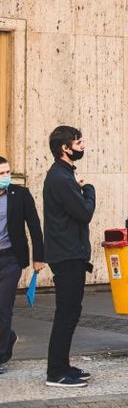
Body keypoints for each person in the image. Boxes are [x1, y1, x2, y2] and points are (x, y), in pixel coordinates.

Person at [43, 125, 96, 387]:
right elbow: (84, 213)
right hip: (67, 255)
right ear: (65, 148)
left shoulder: (63, 176)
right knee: (67, 312)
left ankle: (62, 365)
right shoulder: (61, 179)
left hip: (69, 253)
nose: (82, 145)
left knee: (71, 311)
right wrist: (89, 190)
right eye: (78, 142)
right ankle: (56, 373)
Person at [0, 155, 44, 374]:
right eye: (1, 174)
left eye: (8, 172)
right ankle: (8, 337)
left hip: (11, 259)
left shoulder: (20, 195)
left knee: (3, 306)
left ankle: (0, 356)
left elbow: (34, 226)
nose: (6, 177)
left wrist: (39, 257)